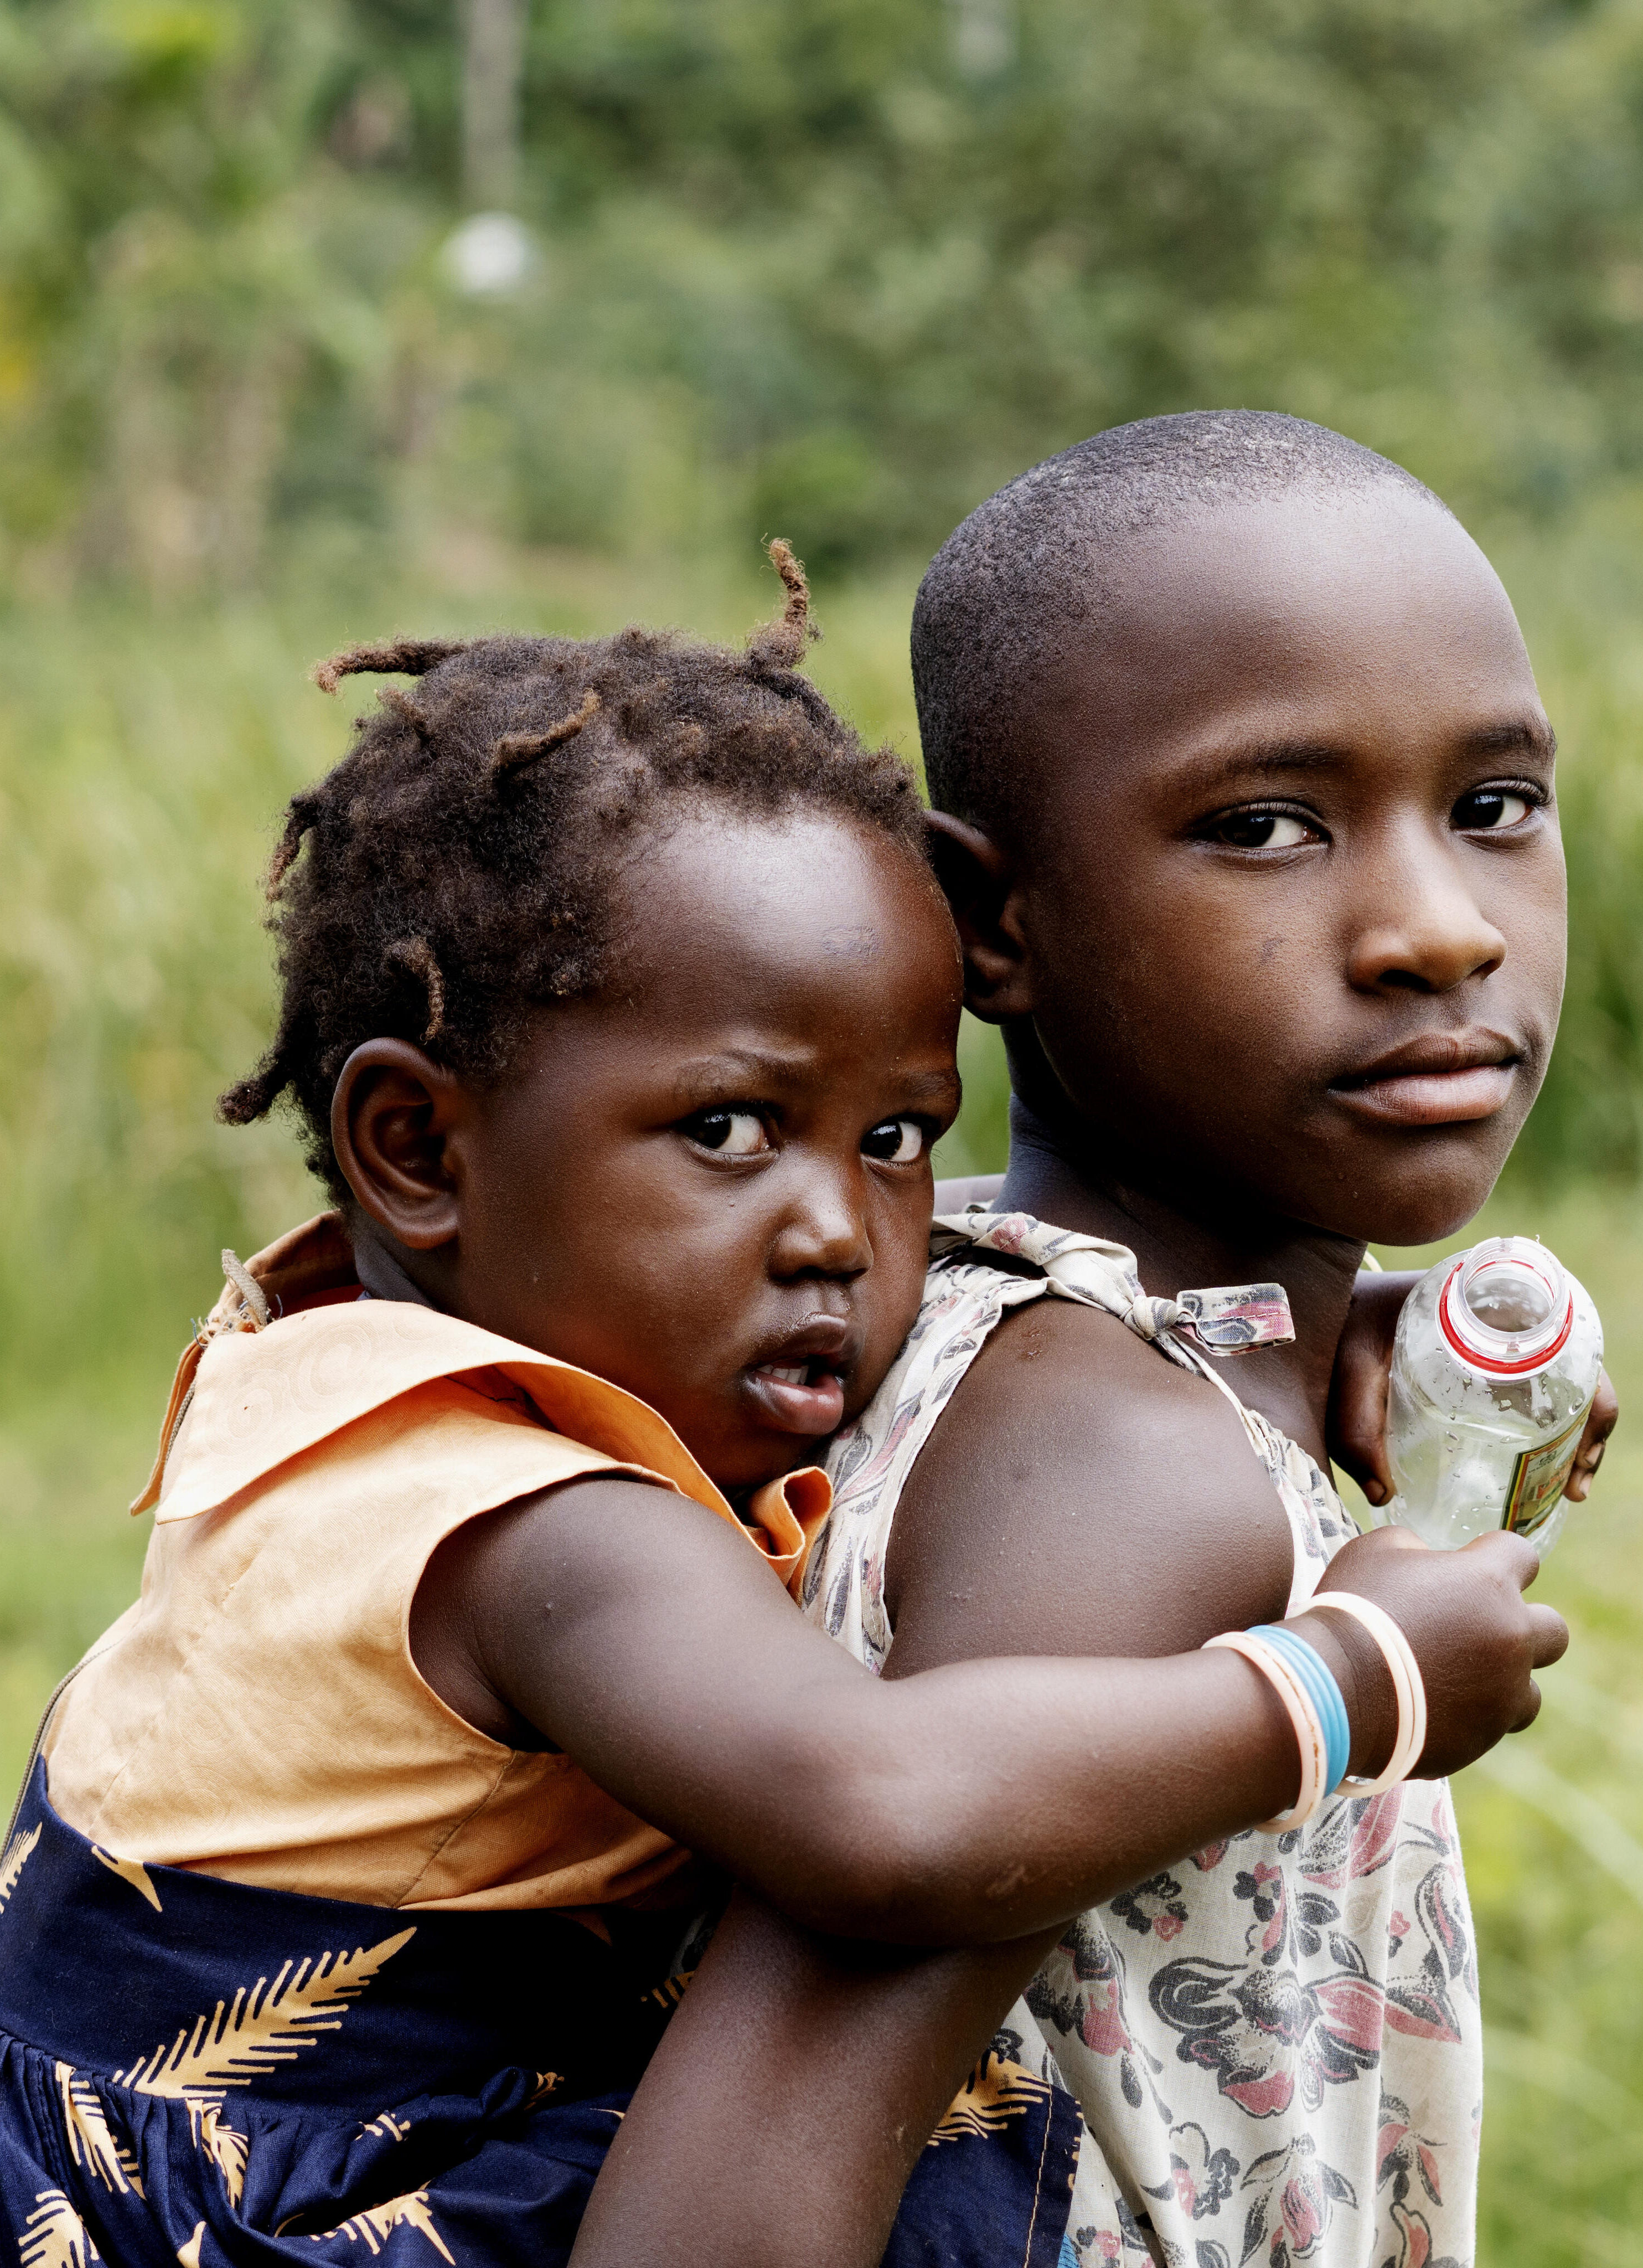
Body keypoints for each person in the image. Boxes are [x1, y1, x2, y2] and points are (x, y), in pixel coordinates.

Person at [0, 561, 1570, 2268]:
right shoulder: (548, 1534)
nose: (839, 1230)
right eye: (730, 1133)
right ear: (416, 1148)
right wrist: (1357, 1681)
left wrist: (1287, 1320)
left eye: (895, 1139)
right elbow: (883, 1817)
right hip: (245, 2218)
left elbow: (818, 1219)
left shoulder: (398, 1348)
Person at [587, 414, 1584, 2268]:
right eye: (1263, 828)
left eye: (1493, 806)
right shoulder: (1121, 1468)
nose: (1439, 931)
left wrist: (1325, 1357)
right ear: (989, 922)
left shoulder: (1018, 1325)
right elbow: (718, 2222)